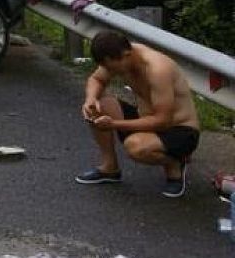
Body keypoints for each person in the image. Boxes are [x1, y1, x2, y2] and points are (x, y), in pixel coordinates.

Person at [75, 30, 200, 197]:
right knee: (97, 108)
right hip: (147, 119)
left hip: (179, 129)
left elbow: (163, 120)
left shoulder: (157, 70)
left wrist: (113, 125)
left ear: (126, 55)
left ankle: (176, 163)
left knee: (136, 147)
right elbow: (96, 79)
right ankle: (110, 168)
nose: (113, 73)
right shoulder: (117, 57)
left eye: (113, 68)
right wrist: (90, 99)